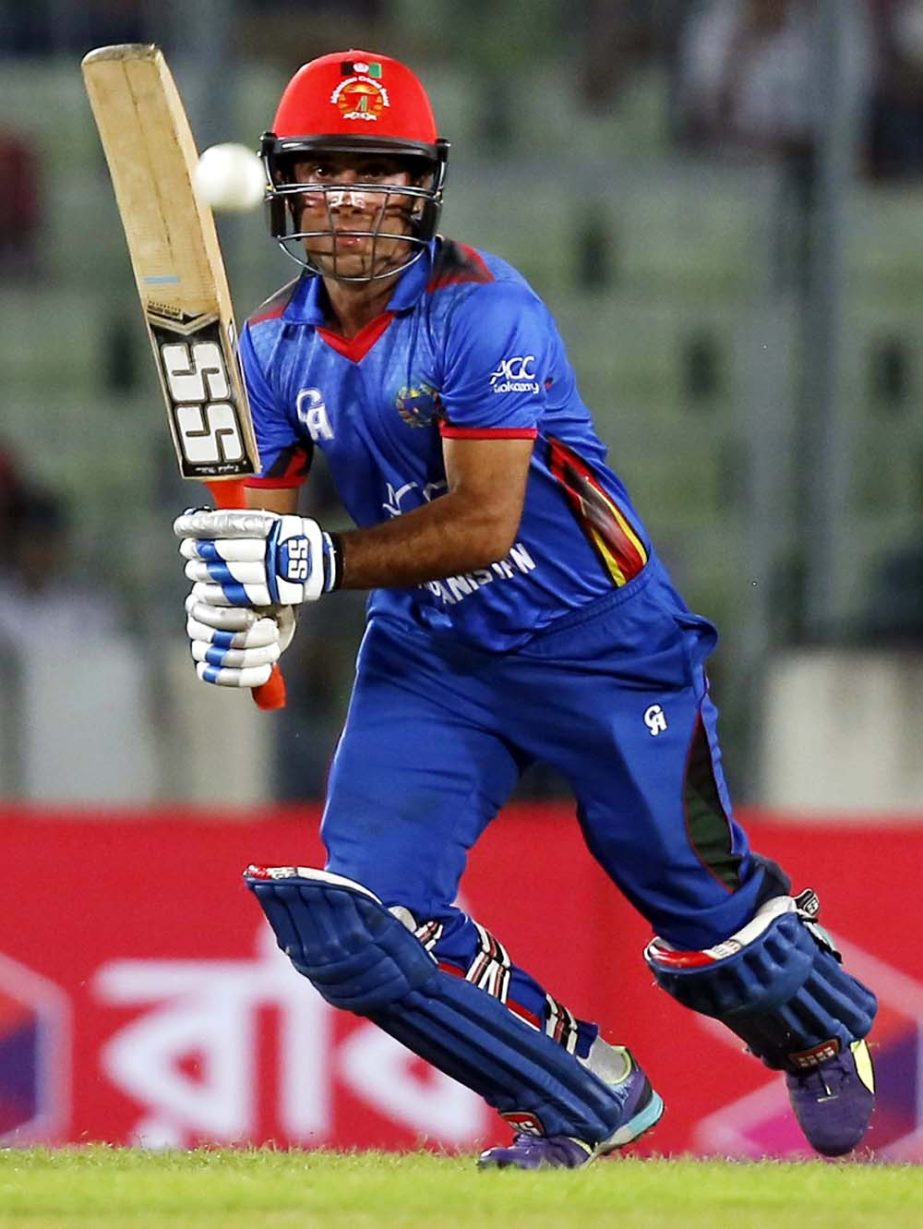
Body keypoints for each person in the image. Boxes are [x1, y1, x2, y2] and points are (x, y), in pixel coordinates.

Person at [174, 50, 877, 1169]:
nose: (352, 202)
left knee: (702, 908)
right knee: (360, 920)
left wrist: (313, 561)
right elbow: (265, 535)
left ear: (420, 189)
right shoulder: (266, 346)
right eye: (327, 174)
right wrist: (250, 610)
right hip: (433, 657)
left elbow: (482, 522)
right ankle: (575, 1092)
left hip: (605, 645)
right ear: (288, 189)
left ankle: (808, 1032)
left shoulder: (482, 310)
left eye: (379, 175)